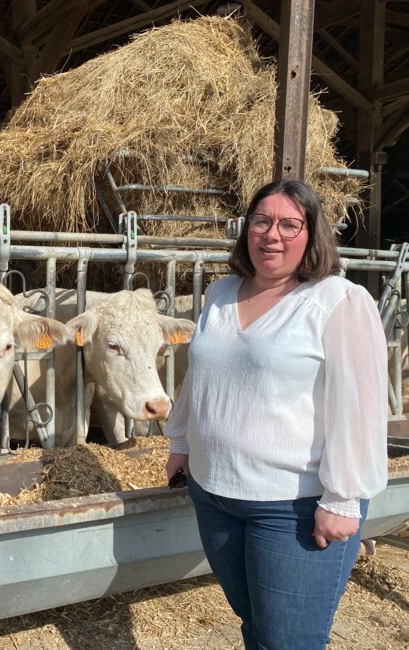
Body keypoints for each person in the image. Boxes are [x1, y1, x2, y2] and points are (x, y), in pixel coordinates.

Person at [164, 178, 388, 650]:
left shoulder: (337, 301)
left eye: (290, 224)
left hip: (294, 506)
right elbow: (200, 375)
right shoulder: (222, 293)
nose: (273, 235)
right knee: (256, 626)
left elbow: (360, 404)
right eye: (262, 221)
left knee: (290, 641)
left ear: (312, 234)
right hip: (214, 494)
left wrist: (344, 497)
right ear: (247, 229)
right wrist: (181, 443)